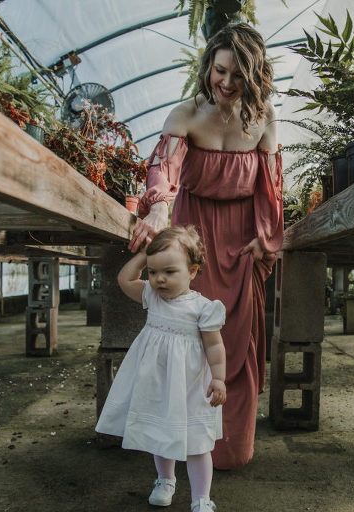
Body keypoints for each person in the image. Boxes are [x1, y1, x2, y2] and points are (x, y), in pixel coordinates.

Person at [129, 23, 283, 470]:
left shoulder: (264, 118)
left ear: (255, 78)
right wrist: (158, 210)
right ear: (208, 67)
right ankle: (180, 447)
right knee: (188, 341)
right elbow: (164, 171)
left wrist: (265, 235)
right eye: (220, 71)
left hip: (240, 245)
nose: (227, 83)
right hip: (194, 237)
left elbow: (270, 185)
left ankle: (231, 450)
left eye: (239, 76)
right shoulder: (186, 114)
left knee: (234, 344)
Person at [96, 226, 227, 512]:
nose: (159, 279)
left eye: (169, 271)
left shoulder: (203, 308)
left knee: (197, 443)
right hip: (158, 382)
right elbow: (124, 279)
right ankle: (165, 480)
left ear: (192, 272)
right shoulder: (151, 296)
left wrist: (219, 378)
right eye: (153, 272)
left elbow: (215, 347)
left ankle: (201, 497)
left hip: (192, 384)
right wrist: (144, 255)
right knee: (161, 435)